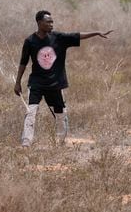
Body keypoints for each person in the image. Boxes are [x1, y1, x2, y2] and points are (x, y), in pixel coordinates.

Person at [14, 10, 113, 147]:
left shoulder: (59, 38)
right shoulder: (30, 41)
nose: (51, 24)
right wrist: (17, 82)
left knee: (60, 115)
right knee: (31, 113)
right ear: (39, 23)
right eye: (48, 22)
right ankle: (26, 143)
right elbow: (23, 62)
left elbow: (78, 35)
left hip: (55, 85)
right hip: (36, 84)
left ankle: (60, 143)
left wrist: (96, 33)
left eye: (52, 22)